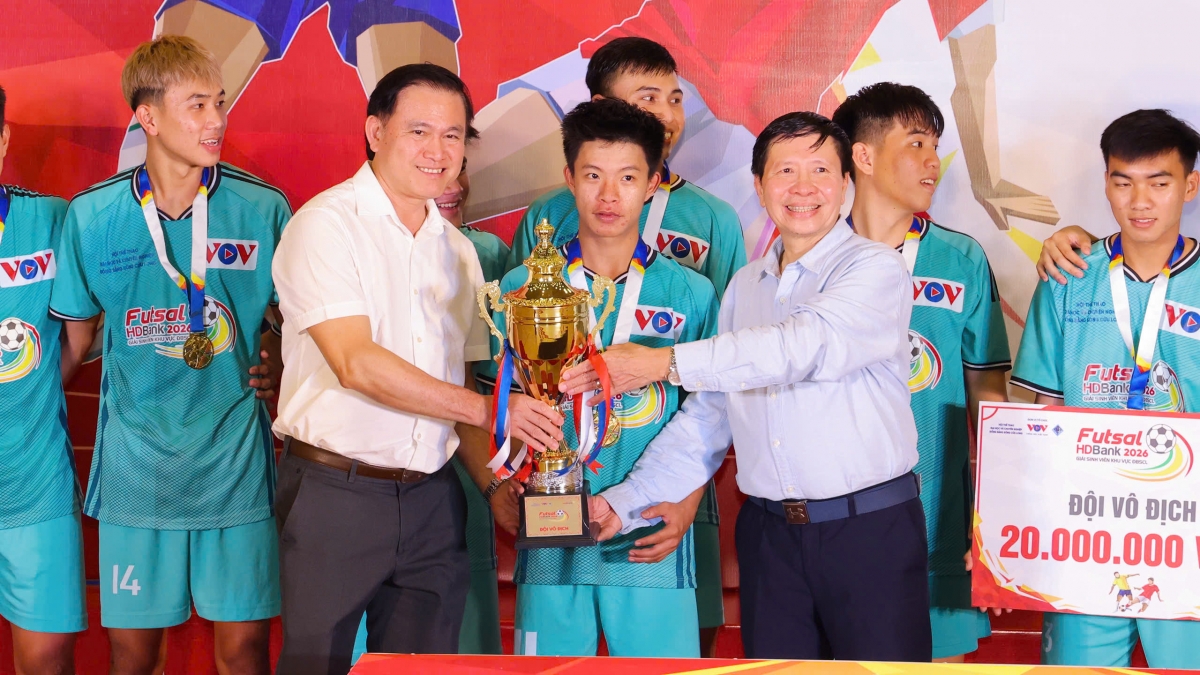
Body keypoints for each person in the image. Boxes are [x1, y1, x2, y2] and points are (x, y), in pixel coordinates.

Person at [565, 111, 930, 661]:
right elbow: (710, 418)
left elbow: (800, 348)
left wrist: (662, 363)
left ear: (847, 184)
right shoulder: (745, 285)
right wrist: (626, 502)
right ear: (759, 187)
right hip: (770, 540)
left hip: (868, 533)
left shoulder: (875, 270)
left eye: (820, 171)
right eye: (784, 171)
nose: (803, 188)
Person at [270, 63, 562, 674]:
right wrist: (495, 410)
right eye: (420, 131)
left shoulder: (455, 250)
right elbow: (356, 364)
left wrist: (494, 486)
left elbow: (451, 386)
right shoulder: (324, 226)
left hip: (433, 499)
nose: (438, 151)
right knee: (314, 665)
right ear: (375, 131)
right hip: (336, 494)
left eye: (453, 135)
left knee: (422, 668)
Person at [48, 36, 286, 674]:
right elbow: (72, 341)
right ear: (147, 117)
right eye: (197, 105)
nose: (216, 121)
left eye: (220, 103)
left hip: (234, 463)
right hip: (136, 470)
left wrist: (278, 356)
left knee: (243, 652)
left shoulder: (262, 208)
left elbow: (297, 323)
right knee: (133, 657)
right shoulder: (92, 216)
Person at [506, 37, 743, 648]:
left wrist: (685, 498)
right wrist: (497, 489)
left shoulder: (691, 294)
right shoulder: (521, 289)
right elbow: (494, 399)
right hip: (551, 532)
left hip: (649, 530)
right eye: (592, 177)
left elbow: (713, 410)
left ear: (652, 183)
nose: (609, 197)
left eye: (628, 178)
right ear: (569, 181)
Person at [1011, 108, 1200, 668]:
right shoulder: (1068, 275)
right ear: (1107, 185)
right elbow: (1041, 414)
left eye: (1159, 183)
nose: (1139, 201)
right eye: (1124, 182)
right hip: (1085, 534)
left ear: (1190, 185)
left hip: (1186, 538)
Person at [830, 82, 1010, 662]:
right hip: (832, 525)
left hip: (938, 522)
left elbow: (989, 394)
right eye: (915, 143)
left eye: (935, 144)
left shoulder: (961, 260)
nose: (933, 161)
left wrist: (994, 509)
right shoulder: (808, 258)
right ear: (862, 156)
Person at [349, 160, 510, 662]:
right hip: (367, 466)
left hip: (469, 456)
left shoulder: (487, 255)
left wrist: (494, 478)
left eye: (461, 165)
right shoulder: (344, 235)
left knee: (460, 615)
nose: (454, 184)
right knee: (368, 625)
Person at [0, 84, 90, 675]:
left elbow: (77, 341)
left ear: (3, 138)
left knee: (48, 659)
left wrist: (27, 393)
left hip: (34, 486)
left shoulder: (51, 220)